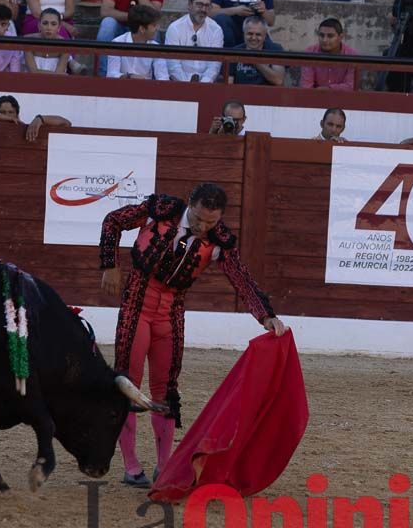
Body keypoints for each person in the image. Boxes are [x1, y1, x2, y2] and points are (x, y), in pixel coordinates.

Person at [100, 181, 284, 486]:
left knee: (166, 388)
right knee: (128, 383)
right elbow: (113, 221)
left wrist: (266, 315)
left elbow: (240, 278)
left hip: (171, 312)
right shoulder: (159, 209)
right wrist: (110, 264)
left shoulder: (220, 240)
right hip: (137, 302)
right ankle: (131, 465)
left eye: (210, 222)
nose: (202, 227)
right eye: (198, 219)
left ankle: (164, 466)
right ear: (190, 205)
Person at [164, 0, 223, 82]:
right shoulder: (175, 28)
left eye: (207, 6)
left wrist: (203, 84)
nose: (203, 9)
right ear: (190, 5)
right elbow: (173, 64)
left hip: (206, 85)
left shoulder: (216, 30)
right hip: (179, 84)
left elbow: (214, 64)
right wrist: (188, 85)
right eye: (199, 5)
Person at [0, 94, 72, 141]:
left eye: (10, 112)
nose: (7, 115)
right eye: (2, 112)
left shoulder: (26, 129)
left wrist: (40, 119)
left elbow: (66, 123)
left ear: (17, 115)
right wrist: (0, 117)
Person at [106, 4, 167, 80]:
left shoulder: (157, 48)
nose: (158, 28)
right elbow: (111, 74)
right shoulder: (116, 43)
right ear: (142, 29)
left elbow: (163, 77)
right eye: (154, 25)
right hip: (121, 88)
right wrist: (129, 77)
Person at [299, 17, 361, 90]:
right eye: (321, 35)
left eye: (330, 36)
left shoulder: (352, 55)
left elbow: (350, 86)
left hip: (342, 99)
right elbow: (306, 86)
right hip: (315, 98)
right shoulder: (309, 52)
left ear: (341, 37)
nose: (324, 40)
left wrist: (328, 89)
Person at [230, 15, 284, 85]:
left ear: (265, 36)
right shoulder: (234, 52)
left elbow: (278, 80)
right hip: (240, 94)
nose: (253, 38)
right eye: (250, 34)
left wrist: (254, 60)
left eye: (258, 34)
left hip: (267, 94)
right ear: (244, 34)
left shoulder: (275, 49)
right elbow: (229, 83)